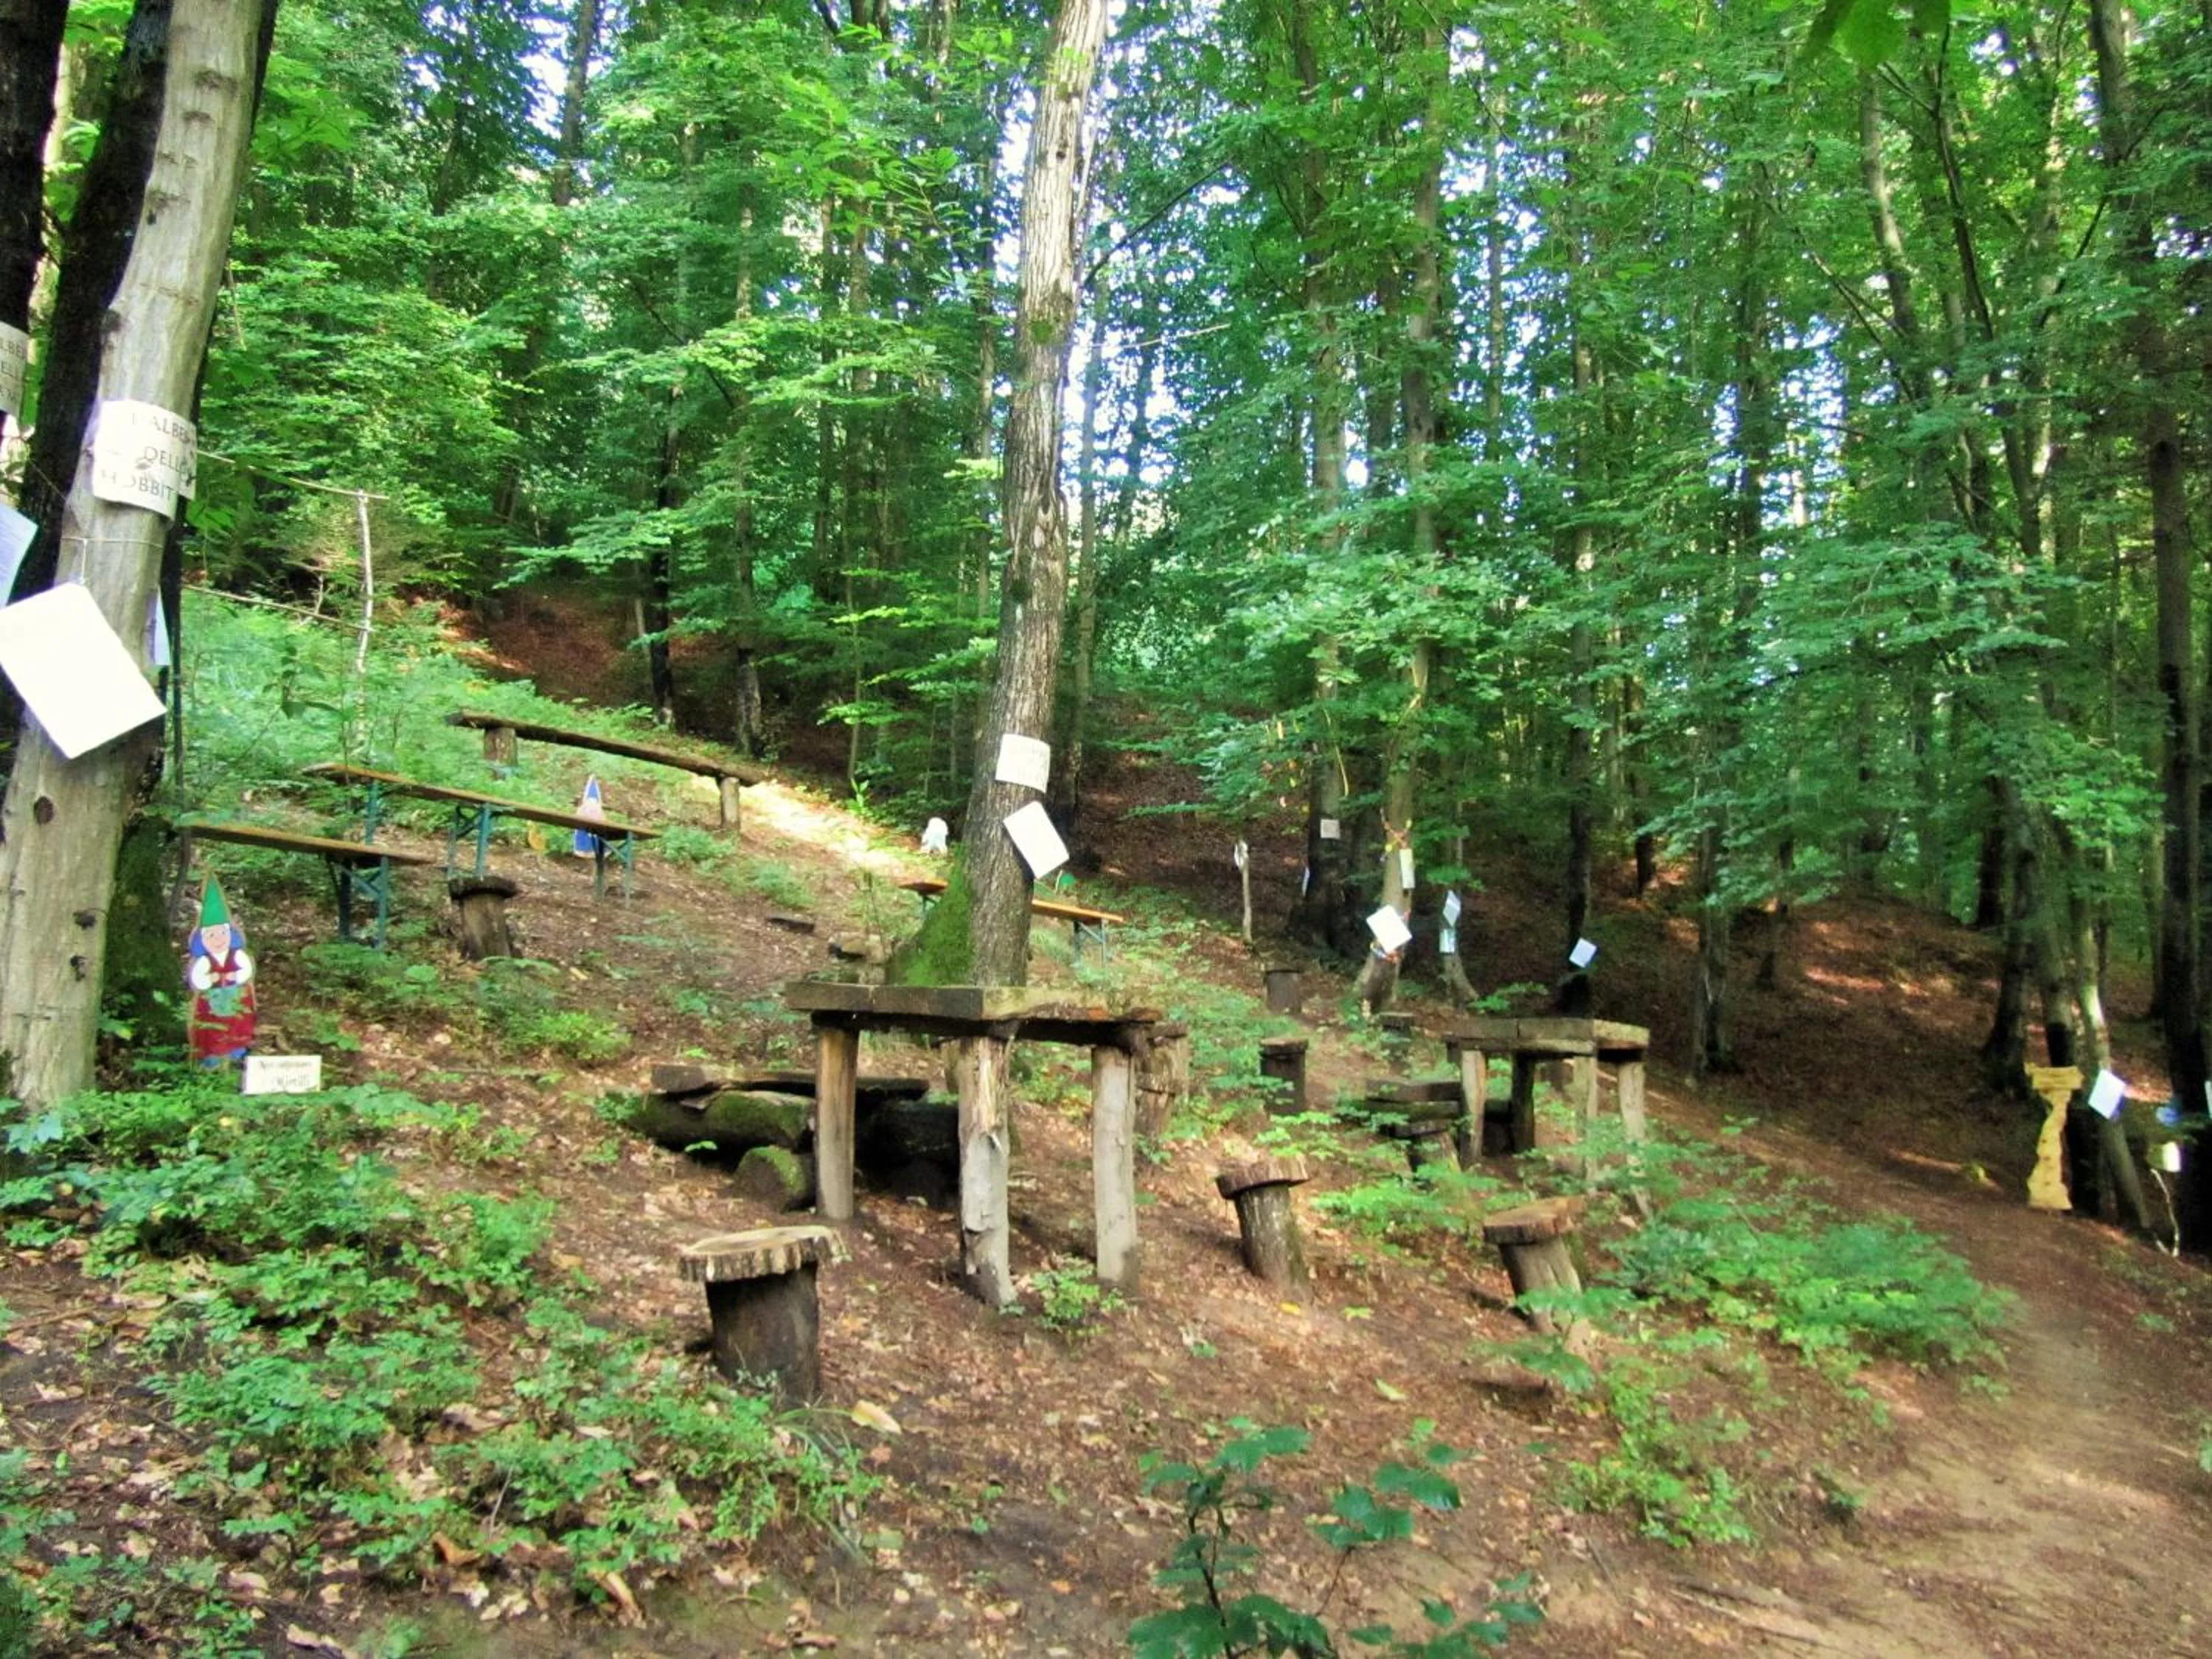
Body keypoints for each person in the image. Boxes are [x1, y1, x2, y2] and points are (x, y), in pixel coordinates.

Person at [186, 875, 257, 1066]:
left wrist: (235, 976)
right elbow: (198, 979)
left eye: (222, 933)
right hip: (212, 1001)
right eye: (211, 935)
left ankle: (237, 1053)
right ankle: (212, 1059)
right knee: (212, 1031)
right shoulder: (204, 961)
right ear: (202, 940)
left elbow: (246, 971)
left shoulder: (237, 956)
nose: (218, 939)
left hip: (237, 997)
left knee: (238, 1026)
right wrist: (211, 978)